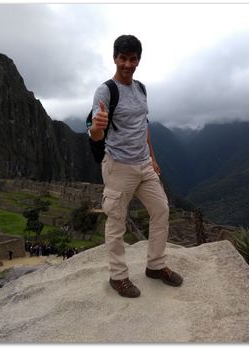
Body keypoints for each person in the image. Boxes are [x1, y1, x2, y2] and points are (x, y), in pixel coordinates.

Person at [88, 35, 183, 298]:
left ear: (138, 60)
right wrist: (96, 128)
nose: (128, 64)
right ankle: (118, 277)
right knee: (117, 221)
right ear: (115, 58)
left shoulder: (141, 88)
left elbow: (144, 125)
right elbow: (96, 133)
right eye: (123, 58)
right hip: (119, 166)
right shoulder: (105, 91)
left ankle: (155, 265)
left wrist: (152, 156)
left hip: (143, 164)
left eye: (133, 59)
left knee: (161, 209)